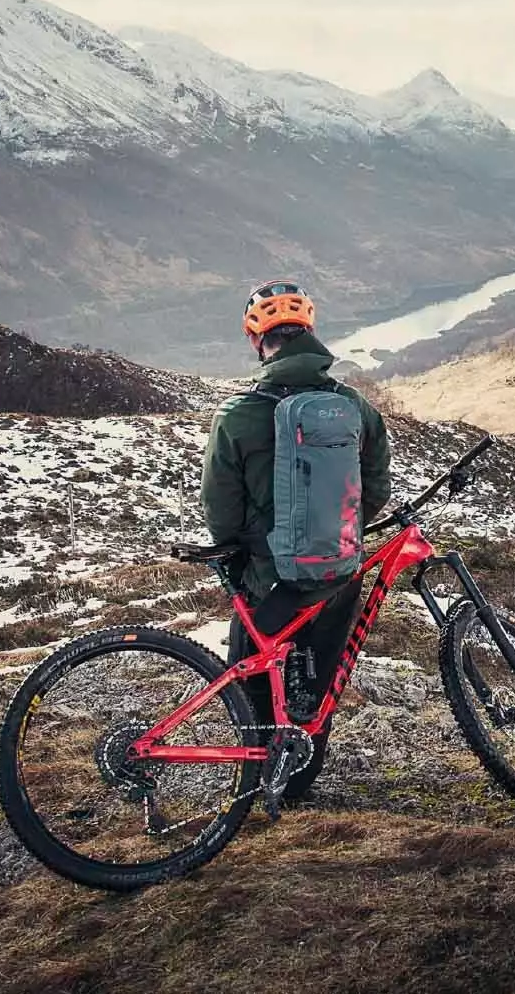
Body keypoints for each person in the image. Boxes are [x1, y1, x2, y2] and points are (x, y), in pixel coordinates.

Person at [201, 279, 391, 801]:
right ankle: (300, 782)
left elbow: (220, 511)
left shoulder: (237, 416)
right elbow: (375, 486)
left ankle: (259, 782)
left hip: (269, 581)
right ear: (309, 331)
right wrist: (338, 535)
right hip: (337, 574)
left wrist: (251, 553)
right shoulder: (353, 405)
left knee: (257, 679)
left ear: (256, 340)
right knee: (317, 683)